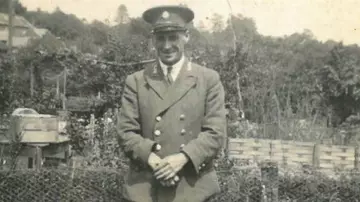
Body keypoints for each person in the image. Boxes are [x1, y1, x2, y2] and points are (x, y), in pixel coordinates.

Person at [117, 5, 227, 202]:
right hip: (146, 189)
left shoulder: (208, 79)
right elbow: (126, 132)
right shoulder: (135, 81)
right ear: (153, 40)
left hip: (192, 189)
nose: (166, 46)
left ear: (186, 37)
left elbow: (215, 133)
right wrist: (156, 163)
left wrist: (181, 159)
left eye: (173, 37)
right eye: (161, 38)